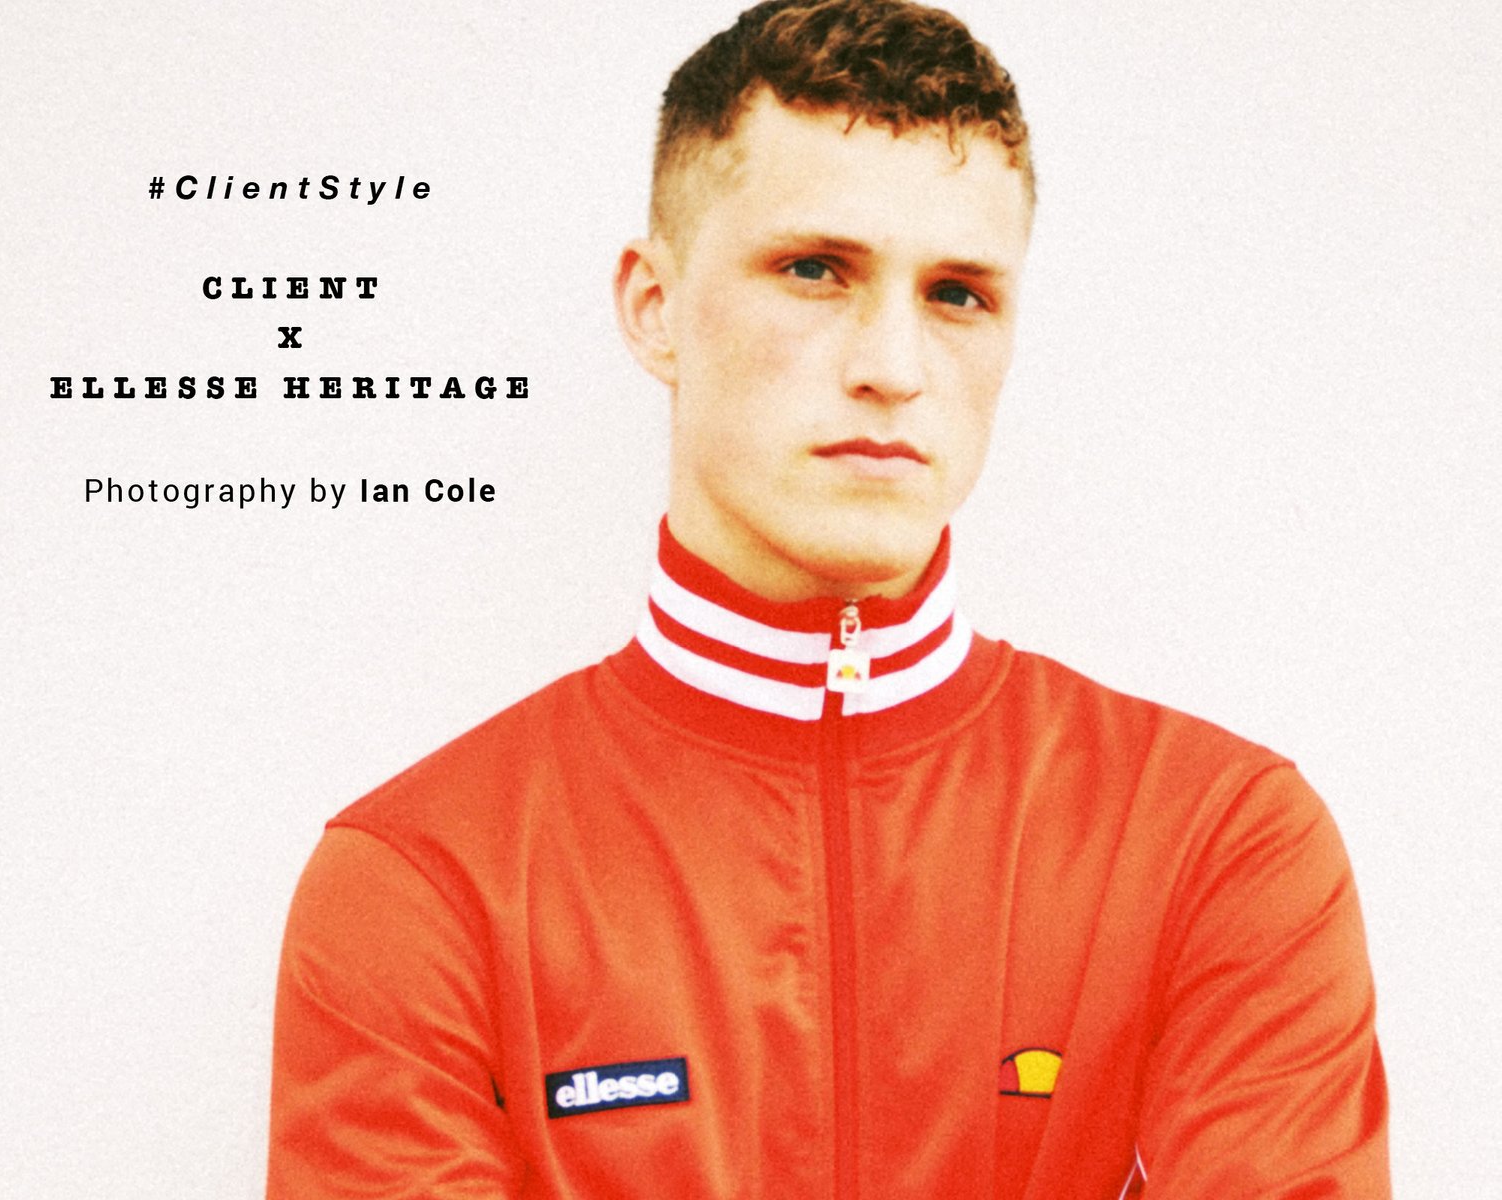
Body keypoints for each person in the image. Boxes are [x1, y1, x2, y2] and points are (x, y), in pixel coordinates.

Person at [266, 1, 1390, 1196]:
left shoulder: (1218, 842)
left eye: (957, 294)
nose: (892, 368)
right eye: (814, 271)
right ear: (653, 307)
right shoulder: (421, 882)